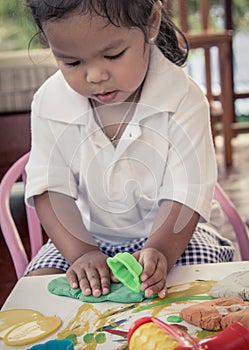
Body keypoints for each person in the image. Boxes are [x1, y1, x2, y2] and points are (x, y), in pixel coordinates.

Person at [24, 0, 234, 299]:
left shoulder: (184, 98)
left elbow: (185, 193)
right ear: (48, 41)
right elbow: (50, 189)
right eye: (72, 62)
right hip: (84, 238)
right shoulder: (49, 100)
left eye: (113, 55)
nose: (95, 75)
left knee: (194, 291)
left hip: (173, 239)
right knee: (39, 294)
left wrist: (159, 250)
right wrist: (81, 252)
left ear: (151, 22)